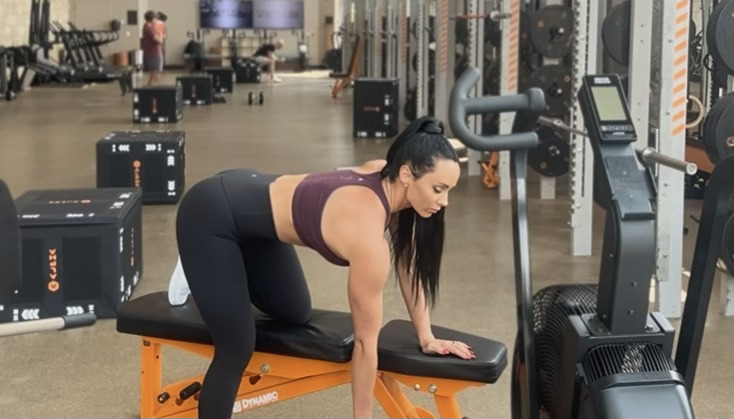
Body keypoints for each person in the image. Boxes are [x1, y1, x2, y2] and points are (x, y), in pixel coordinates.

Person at [171, 116, 474, 419]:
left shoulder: (390, 178)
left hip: (257, 223)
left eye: (449, 190)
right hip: (212, 212)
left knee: (295, 312)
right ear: (407, 174)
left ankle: (220, 267)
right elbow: (365, 344)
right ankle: (202, 262)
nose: (444, 201)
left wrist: (426, 337)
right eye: (438, 189)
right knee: (236, 347)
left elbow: (408, 264)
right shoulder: (368, 238)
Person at [141, 11, 164, 86]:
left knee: (157, 74)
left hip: (154, 53)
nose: (156, 20)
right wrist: (161, 33)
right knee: (154, 74)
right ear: (152, 19)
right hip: (153, 53)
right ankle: (149, 89)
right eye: (155, 18)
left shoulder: (148, 26)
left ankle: (151, 88)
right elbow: (159, 40)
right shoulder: (149, 29)